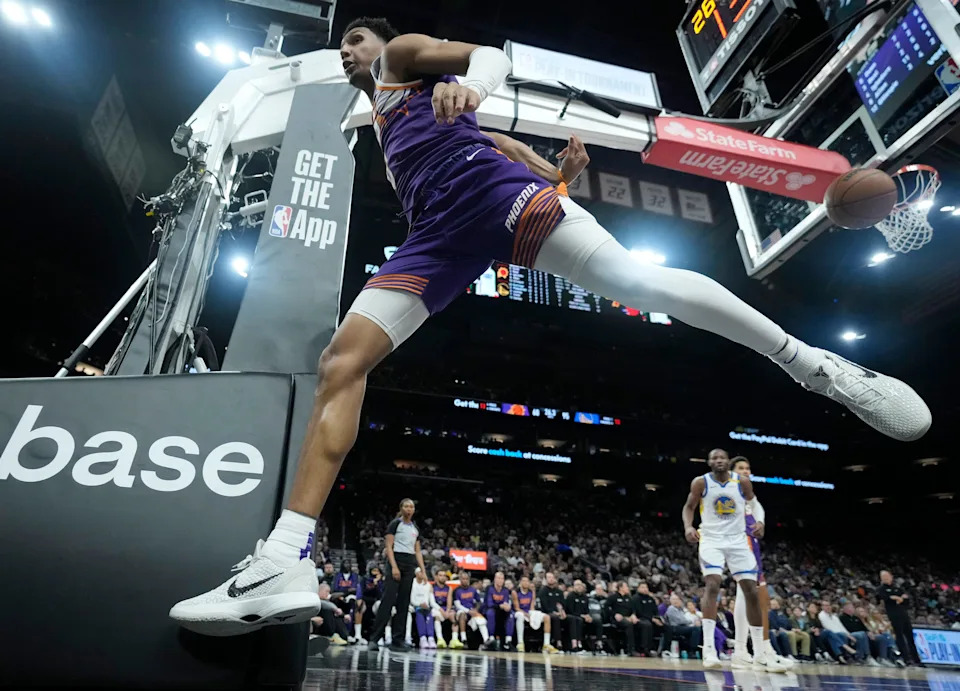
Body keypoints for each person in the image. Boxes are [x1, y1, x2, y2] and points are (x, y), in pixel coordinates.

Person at [169, 17, 931, 636]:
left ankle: (810, 362)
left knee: (635, 281)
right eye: (342, 47)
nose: (346, 52)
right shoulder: (381, 125)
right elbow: (521, 153)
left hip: (495, 200)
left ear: (382, 44)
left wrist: (472, 87)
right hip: (439, 238)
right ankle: (285, 558)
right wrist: (564, 172)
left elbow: (491, 58)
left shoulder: (403, 61)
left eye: (354, 41)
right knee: (343, 360)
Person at [682, 449, 788, 672]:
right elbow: (689, 507)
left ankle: (759, 654)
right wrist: (688, 527)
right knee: (713, 584)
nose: (719, 460)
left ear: (727, 461)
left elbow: (755, 504)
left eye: (722, 457)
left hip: (738, 540)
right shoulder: (701, 482)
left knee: (751, 590)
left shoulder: (741, 482)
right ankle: (709, 650)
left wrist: (760, 522)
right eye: (715, 458)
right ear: (709, 462)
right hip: (711, 539)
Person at [729, 456, 793, 670]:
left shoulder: (748, 494)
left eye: (748, 468)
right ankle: (744, 650)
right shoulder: (729, 490)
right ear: (732, 472)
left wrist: (761, 522)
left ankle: (763, 649)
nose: (746, 471)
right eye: (741, 468)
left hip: (752, 542)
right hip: (739, 542)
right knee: (748, 593)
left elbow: (758, 508)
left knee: (760, 598)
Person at [364, 499, 428, 650]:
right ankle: (374, 639)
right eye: (406, 506)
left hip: (409, 563)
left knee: (404, 603)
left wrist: (423, 570)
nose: (409, 509)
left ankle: (397, 640)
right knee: (388, 600)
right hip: (396, 560)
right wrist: (393, 567)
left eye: (411, 507)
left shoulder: (415, 528)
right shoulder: (395, 524)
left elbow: (417, 551)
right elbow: (389, 546)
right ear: (401, 508)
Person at [878, 570, 921, 665]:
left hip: (904, 614)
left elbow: (906, 600)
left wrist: (897, 598)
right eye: (883, 577)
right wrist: (897, 598)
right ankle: (906, 658)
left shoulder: (897, 588)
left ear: (891, 577)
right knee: (900, 637)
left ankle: (916, 659)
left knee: (910, 637)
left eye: (886, 576)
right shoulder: (881, 589)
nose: (885, 578)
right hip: (894, 615)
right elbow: (885, 598)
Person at [512, 575, 558, 653]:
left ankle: (546, 644)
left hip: (529, 612)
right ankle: (520, 643)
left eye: (527, 581)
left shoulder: (532, 592)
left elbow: (532, 607)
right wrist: (525, 614)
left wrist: (532, 615)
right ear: (520, 582)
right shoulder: (515, 592)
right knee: (520, 616)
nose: (526, 583)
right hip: (518, 612)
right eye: (524, 581)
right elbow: (516, 608)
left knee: (547, 617)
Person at [452, 571, 492, 649]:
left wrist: (476, 610)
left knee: (481, 620)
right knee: (462, 614)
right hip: (461, 611)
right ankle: (464, 639)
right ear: (460, 579)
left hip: (472, 611)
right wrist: (468, 611)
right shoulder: (456, 590)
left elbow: (478, 602)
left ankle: (486, 639)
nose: (465, 580)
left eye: (466, 579)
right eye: (463, 579)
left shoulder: (473, 590)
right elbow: (458, 605)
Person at [607, 582, 643, 657]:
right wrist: (614, 614)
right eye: (626, 586)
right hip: (617, 619)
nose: (628, 588)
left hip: (628, 617)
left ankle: (641, 649)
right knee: (629, 624)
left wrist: (633, 615)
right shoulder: (613, 597)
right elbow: (606, 608)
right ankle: (630, 650)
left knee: (640, 624)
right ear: (620, 588)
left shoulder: (629, 598)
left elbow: (633, 609)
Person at [633, 581, 670, 656]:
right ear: (638, 589)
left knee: (667, 627)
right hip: (641, 619)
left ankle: (665, 650)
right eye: (642, 587)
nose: (645, 589)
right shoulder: (635, 598)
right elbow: (639, 613)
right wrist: (652, 619)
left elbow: (655, 611)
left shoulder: (651, 599)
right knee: (647, 625)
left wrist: (658, 619)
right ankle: (645, 649)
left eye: (646, 587)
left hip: (653, 619)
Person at [664, 593, 703, 658]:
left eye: (677, 599)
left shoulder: (680, 609)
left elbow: (684, 619)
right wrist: (692, 621)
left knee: (697, 629)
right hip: (675, 628)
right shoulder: (671, 608)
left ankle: (694, 649)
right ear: (671, 601)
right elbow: (680, 620)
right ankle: (692, 651)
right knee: (695, 629)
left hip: (682, 626)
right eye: (673, 599)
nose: (676, 601)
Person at [483, 571, 515, 650]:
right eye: (498, 578)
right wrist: (500, 606)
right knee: (491, 613)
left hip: (501, 611)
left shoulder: (505, 590)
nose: (500, 580)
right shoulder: (489, 588)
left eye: (502, 579)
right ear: (495, 579)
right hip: (490, 609)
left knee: (511, 614)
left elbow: (506, 602)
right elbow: (489, 604)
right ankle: (491, 639)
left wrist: (507, 606)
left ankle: (508, 641)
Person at [409, 567, 437, 648]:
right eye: (420, 572)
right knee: (419, 612)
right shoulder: (412, 584)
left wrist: (427, 605)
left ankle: (431, 638)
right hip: (415, 606)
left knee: (429, 613)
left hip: (426, 607)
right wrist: (419, 604)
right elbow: (412, 600)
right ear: (416, 574)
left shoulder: (428, 585)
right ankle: (423, 638)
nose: (422, 574)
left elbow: (431, 600)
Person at [564, 579, 589, 654]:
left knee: (597, 620)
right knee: (577, 619)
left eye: (580, 585)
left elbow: (587, 610)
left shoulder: (585, 597)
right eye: (577, 585)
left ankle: (598, 645)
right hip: (570, 616)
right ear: (573, 587)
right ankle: (575, 644)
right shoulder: (570, 596)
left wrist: (588, 616)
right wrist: (582, 615)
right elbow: (570, 610)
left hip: (582, 616)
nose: (579, 587)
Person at [431, 570, 455, 648]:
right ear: (436, 577)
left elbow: (449, 601)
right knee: (437, 615)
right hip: (435, 607)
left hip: (444, 607)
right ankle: (440, 639)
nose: (443, 577)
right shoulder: (432, 587)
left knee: (454, 616)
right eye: (440, 575)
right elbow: (432, 602)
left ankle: (454, 640)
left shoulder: (449, 588)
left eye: (444, 575)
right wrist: (442, 612)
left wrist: (447, 611)